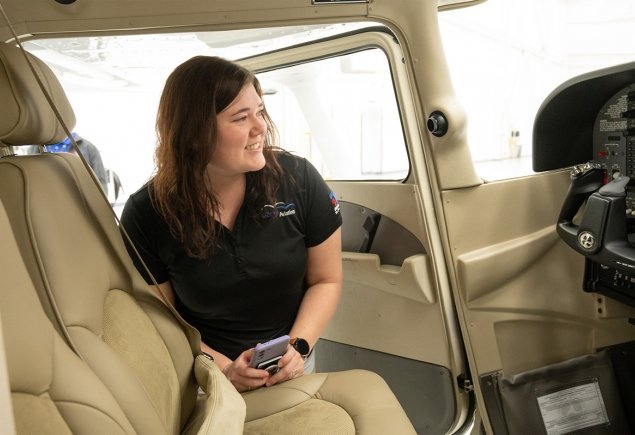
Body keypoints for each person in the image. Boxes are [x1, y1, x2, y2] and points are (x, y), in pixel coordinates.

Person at [120, 56, 343, 393]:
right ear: (194, 133)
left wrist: (298, 348)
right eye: (241, 117)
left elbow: (326, 280)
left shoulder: (299, 179)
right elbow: (162, 321)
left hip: (294, 366)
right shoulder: (146, 213)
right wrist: (224, 370)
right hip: (206, 376)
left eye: (260, 111)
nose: (261, 127)